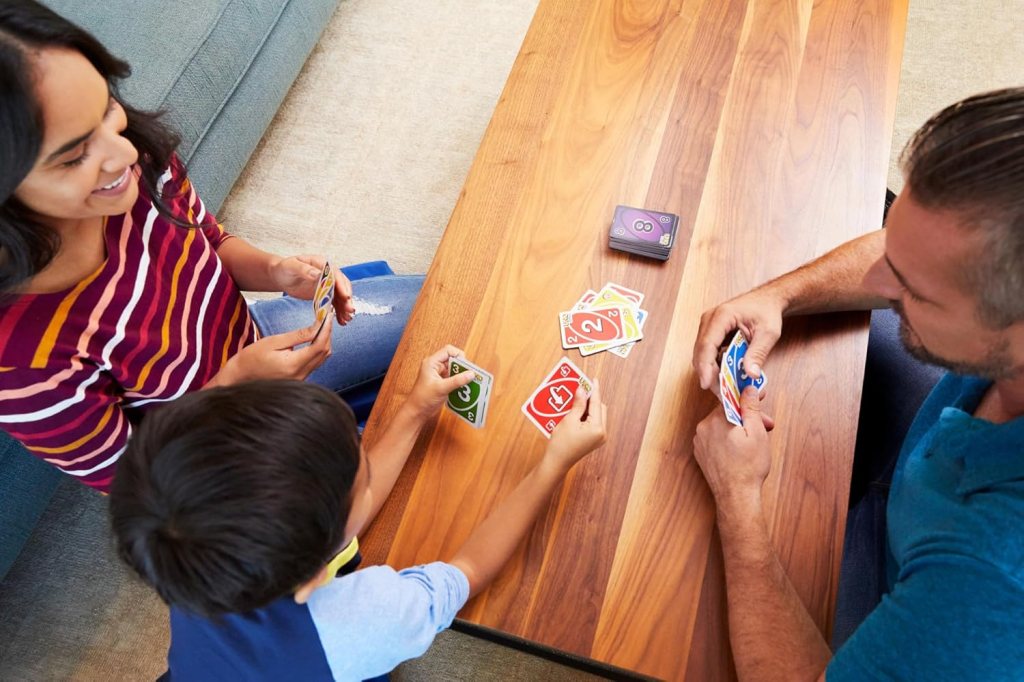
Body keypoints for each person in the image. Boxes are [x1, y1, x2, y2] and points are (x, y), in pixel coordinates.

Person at [0, 1, 421, 491]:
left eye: (106, 109)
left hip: (260, 343)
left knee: (457, 314)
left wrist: (275, 270)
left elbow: (211, 243)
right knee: (393, 493)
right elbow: (134, 479)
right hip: (214, 455)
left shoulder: (137, 168)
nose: (124, 152)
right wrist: (235, 386)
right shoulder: (20, 361)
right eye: (74, 157)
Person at [690, 87, 1024, 680]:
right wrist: (779, 295)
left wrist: (738, 500)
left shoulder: (981, 585)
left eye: (913, 291)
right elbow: (929, 249)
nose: (876, 280)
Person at [109, 346, 608, 680]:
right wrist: (553, 464)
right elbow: (468, 572)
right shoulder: (372, 616)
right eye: (362, 473)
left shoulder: (191, 546)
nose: (365, 457)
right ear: (313, 573)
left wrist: (415, 409)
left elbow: (327, 510)